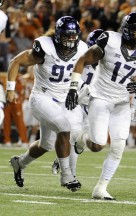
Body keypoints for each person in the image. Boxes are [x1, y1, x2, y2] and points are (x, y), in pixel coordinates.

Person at [65, 12, 136, 200]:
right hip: (100, 97)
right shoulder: (110, 40)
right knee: (98, 145)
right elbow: (83, 60)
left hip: (122, 102)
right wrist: (73, 87)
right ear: (127, 29)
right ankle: (80, 138)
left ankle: (101, 187)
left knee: (119, 145)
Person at [6, 16, 86, 191]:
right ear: (58, 35)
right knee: (64, 128)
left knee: (47, 145)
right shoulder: (45, 48)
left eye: (73, 36)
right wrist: (10, 89)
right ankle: (67, 176)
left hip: (66, 98)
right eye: (67, 36)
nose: (71, 40)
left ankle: (19, 163)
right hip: (43, 97)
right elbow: (16, 62)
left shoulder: (82, 48)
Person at [52, 28, 104, 175]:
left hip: (93, 107)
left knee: (83, 143)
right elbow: (70, 80)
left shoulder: (108, 66)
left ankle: (60, 158)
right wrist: (83, 90)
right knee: (73, 135)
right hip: (75, 102)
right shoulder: (80, 59)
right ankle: (71, 175)